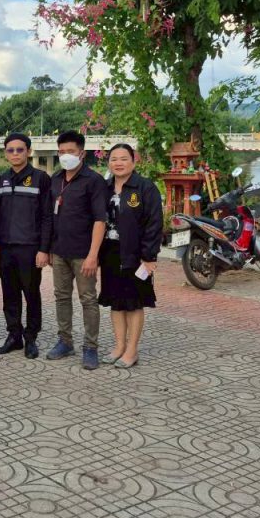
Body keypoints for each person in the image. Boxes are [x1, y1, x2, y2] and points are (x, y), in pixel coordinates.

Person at [47, 130, 108, 370]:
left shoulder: (94, 181)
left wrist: (93, 255)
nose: (65, 156)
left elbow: (100, 220)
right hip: (59, 251)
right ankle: (65, 341)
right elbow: (49, 216)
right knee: (61, 297)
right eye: (61, 152)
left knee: (88, 299)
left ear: (82, 153)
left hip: (84, 253)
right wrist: (49, 248)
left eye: (70, 151)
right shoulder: (55, 179)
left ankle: (90, 347)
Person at [98, 143, 163, 368]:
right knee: (116, 302)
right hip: (110, 252)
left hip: (136, 255)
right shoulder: (105, 188)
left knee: (134, 303)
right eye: (114, 159)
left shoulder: (145, 187)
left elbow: (154, 223)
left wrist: (149, 256)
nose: (118, 163)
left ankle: (132, 350)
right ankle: (119, 346)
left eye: (124, 158)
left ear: (134, 162)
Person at [0, 133, 53, 359]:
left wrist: (43, 249)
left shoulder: (40, 178)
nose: (15, 154)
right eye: (11, 150)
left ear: (28, 151)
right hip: (6, 248)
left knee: (31, 294)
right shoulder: (2, 179)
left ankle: (31, 338)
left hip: (30, 248)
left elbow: (47, 216)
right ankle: (14, 336)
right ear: (5, 153)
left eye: (20, 149)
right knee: (10, 294)